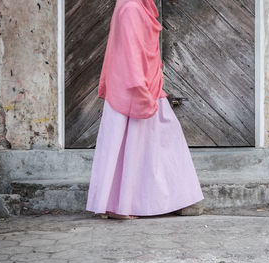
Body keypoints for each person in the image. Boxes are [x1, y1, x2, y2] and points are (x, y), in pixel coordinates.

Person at [85, 0, 204, 220]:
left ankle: (167, 201)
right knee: (135, 147)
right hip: (135, 89)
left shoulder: (138, 7)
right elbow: (130, 52)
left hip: (146, 85)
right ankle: (122, 207)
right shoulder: (131, 8)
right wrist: (139, 88)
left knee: (146, 147)